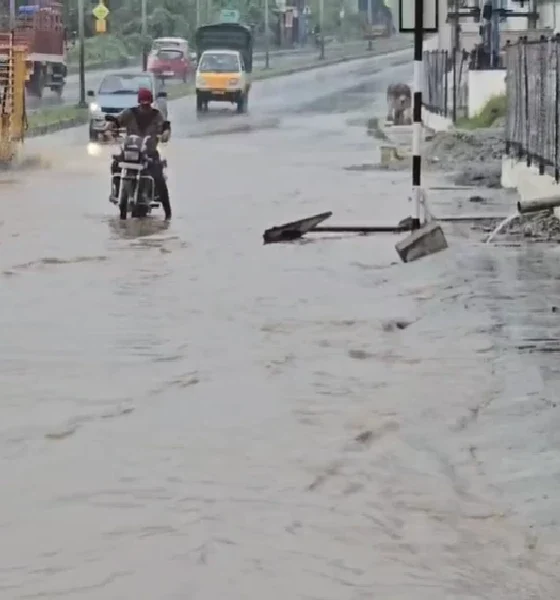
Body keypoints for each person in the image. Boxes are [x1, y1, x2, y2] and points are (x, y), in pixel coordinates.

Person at [107, 87, 172, 219]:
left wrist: (165, 134)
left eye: (147, 104)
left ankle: (168, 213)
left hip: (149, 153)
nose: (145, 107)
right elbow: (115, 122)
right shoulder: (129, 113)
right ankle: (117, 190)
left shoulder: (157, 115)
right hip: (130, 152)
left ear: (151, 103)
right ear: (139, 103)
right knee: (115, 165)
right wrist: (109, 129)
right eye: (143, 104)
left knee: (159, 179)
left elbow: (166, 128)